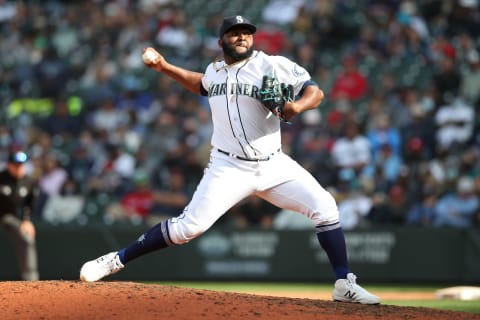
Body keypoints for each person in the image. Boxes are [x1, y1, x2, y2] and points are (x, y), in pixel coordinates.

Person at [79, 15, 380, 305]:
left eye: (247, 33)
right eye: (235, 33)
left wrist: (296, 108)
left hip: (273, 164)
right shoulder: (215, 71)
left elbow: (315, 91)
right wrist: (164, 67)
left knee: (325, 207)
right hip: (229, 166)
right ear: (221, 40)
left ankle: (344, 284)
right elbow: (200, 83)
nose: (242, 37)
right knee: (187, 229)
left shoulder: (272, 65)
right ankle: (115, 260)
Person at [0, 151, 39, 280]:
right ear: (9, 165)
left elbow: (29, 204)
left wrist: (27, 220)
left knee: (27, 238)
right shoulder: (2, 178)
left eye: (22, 165)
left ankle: (31, 279)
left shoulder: (29, 181)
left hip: (9, 217)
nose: (19, 168)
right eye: (16, 165)